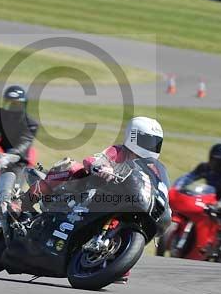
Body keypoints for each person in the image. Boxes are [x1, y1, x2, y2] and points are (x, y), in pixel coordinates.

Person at [22, 116, 166, 284]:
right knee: (71, 167)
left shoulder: (153, 168)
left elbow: (160, 188)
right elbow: (94, 159)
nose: (151, 146)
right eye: (147, 140)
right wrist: (101, 167)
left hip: (118, 204)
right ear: (133, 136)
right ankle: (23, 202)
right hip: (89, 193)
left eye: (156, 142)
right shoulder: (119, 152)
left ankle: (113, 256)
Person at [173, 143, 221, 263]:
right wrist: (177, 187)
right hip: (208, 197)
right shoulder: (205, 167)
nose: (215, 164)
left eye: (219, 162)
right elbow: (189, 177)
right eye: (213, 160)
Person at [0, 85, 38, 180]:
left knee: (8, 189)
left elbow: (24, 142)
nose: (13, 107)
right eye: (10, 103)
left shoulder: (30, 124)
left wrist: (12, 153)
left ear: (24, 105)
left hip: (15, 161)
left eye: (17, 104)